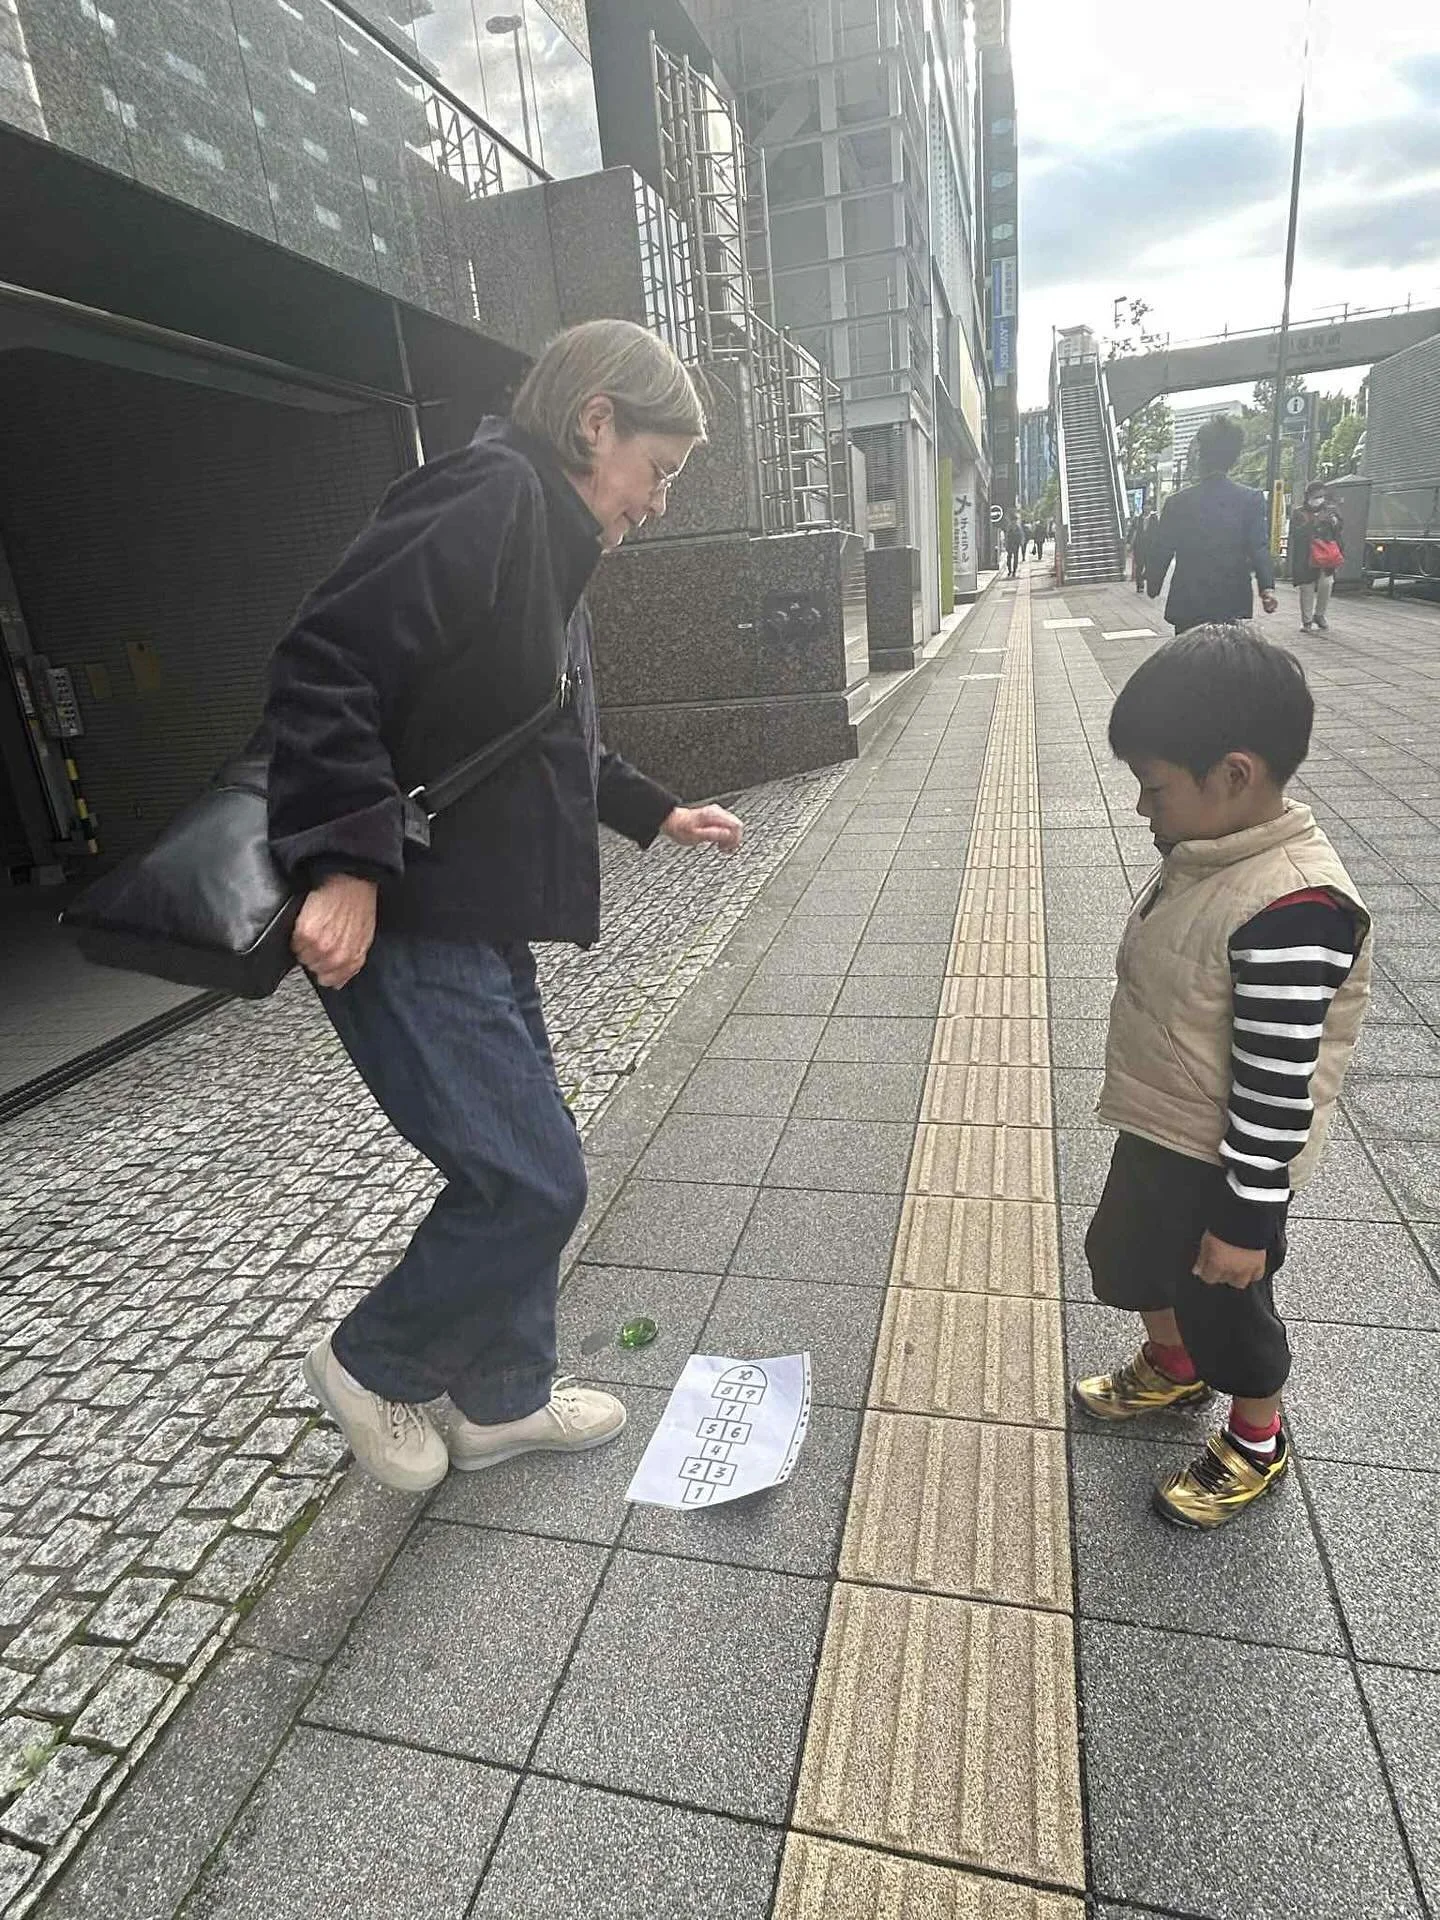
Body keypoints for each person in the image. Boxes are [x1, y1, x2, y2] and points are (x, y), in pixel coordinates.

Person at [264, 319, 743, 1494]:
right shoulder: (488, 497)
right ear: (595, 424)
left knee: (530, 1164)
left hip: (474, 917)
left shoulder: (550, 532)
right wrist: (345, 865)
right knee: (532, 1181)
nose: (661, 501)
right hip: (417, 919)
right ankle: (371, 1361)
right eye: (659, 470)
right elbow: (325, 662)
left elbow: (535, 728)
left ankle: (502, 1403)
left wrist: (651, 809)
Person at [1073, 626, 1372, 1528]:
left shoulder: (1293, 907)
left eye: (1155, 785)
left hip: (1227, 1164)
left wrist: (1247, 1215)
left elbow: (1278, 1085)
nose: (1139, 807)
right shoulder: (1212, 860)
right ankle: (1172, 1368)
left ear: (1234, 775)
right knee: (1124, 1254)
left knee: (1229, 1310)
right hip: (1163, 1125)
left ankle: (1254, 1434)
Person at [1145, 416, 1278, 632]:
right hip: (1231, 599)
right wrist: (1267, 588)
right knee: (1227, 657)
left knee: (1189, 660)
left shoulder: (1177, 503)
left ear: (1201, 455)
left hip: (1188, 600)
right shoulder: (1250, 500)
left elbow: (1162, 549)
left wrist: (1153, 584)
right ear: (1234, 458)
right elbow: (1258, 546)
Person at [1289, 482, 1344, 633]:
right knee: (1307, 587)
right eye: (1315, 496)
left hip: (1327, 556)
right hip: (1306, 557)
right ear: (1308, 497)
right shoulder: (1299, 513)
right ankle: (1306, 621)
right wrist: (1314, 523)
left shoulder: (1331, 511)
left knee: (1326, 584)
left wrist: (1333, 522)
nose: (1318, 499)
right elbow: (1296, 533)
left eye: (1321, 496)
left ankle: (1319, 615)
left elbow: (1339, 528)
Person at [1133, 509, 1159, 595]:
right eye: (1145, 505)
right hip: (1139, 546)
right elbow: (1133, 531)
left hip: (1150, 547)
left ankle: (1146, 579)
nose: (1146, 507)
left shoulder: (1154, 519)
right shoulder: (1138, 519)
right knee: (1139, 566)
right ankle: (1140, 585)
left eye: (1148, 505)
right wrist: (1129, 543)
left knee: (1150, 566)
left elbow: (1158, 532)